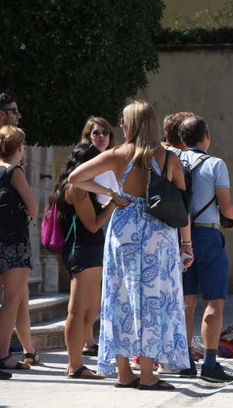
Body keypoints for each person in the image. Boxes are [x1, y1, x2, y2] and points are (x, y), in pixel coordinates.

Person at [69, 100, 193, 390]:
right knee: (153, 299)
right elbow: (182, 208)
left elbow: (76, 178)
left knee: (120, 297)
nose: (121, 126)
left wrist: (111, 192)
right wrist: (187, 244)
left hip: (124, 228)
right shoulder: (168, 158)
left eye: (124, 121)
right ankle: (148, 375)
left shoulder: (117, 154)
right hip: (157, 233)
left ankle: (125, 374)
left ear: (133, 124)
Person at [177, 115, 233, 382]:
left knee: (185, 301)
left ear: (181, 139)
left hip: (179, 235)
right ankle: (210, 364)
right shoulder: (215, 163)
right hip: (206, 235)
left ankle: (184, 361)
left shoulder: (174, 161)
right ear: (207, 134)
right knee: (214, 301)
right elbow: (225, 206)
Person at [53, 144, 118, 379]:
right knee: (77, 310)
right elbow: (92, 224)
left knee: (90, 311)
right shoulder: (77, 188)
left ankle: (77, 364)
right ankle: (74, 365)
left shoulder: (84, 187)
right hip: (82, 250)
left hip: (90, 250)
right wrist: (114, 202)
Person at [0, 92, 37, 367]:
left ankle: (27, 350)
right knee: (12, 300)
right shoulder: (14, 172)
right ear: (18, 147)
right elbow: (33, 207)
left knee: (15, 299)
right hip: (15, 244)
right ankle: (3, 355)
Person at [76, 116, 116, 356]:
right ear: (88, 136)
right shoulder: (87, 159)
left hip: (110, 220)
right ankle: (87, 339)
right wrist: (113, 196)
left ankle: (89, 338)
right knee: (89, 289)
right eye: (96, 133)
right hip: (96, 223)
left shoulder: (112, 159)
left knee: (98, 287)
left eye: (105, 133)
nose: (101, 137)